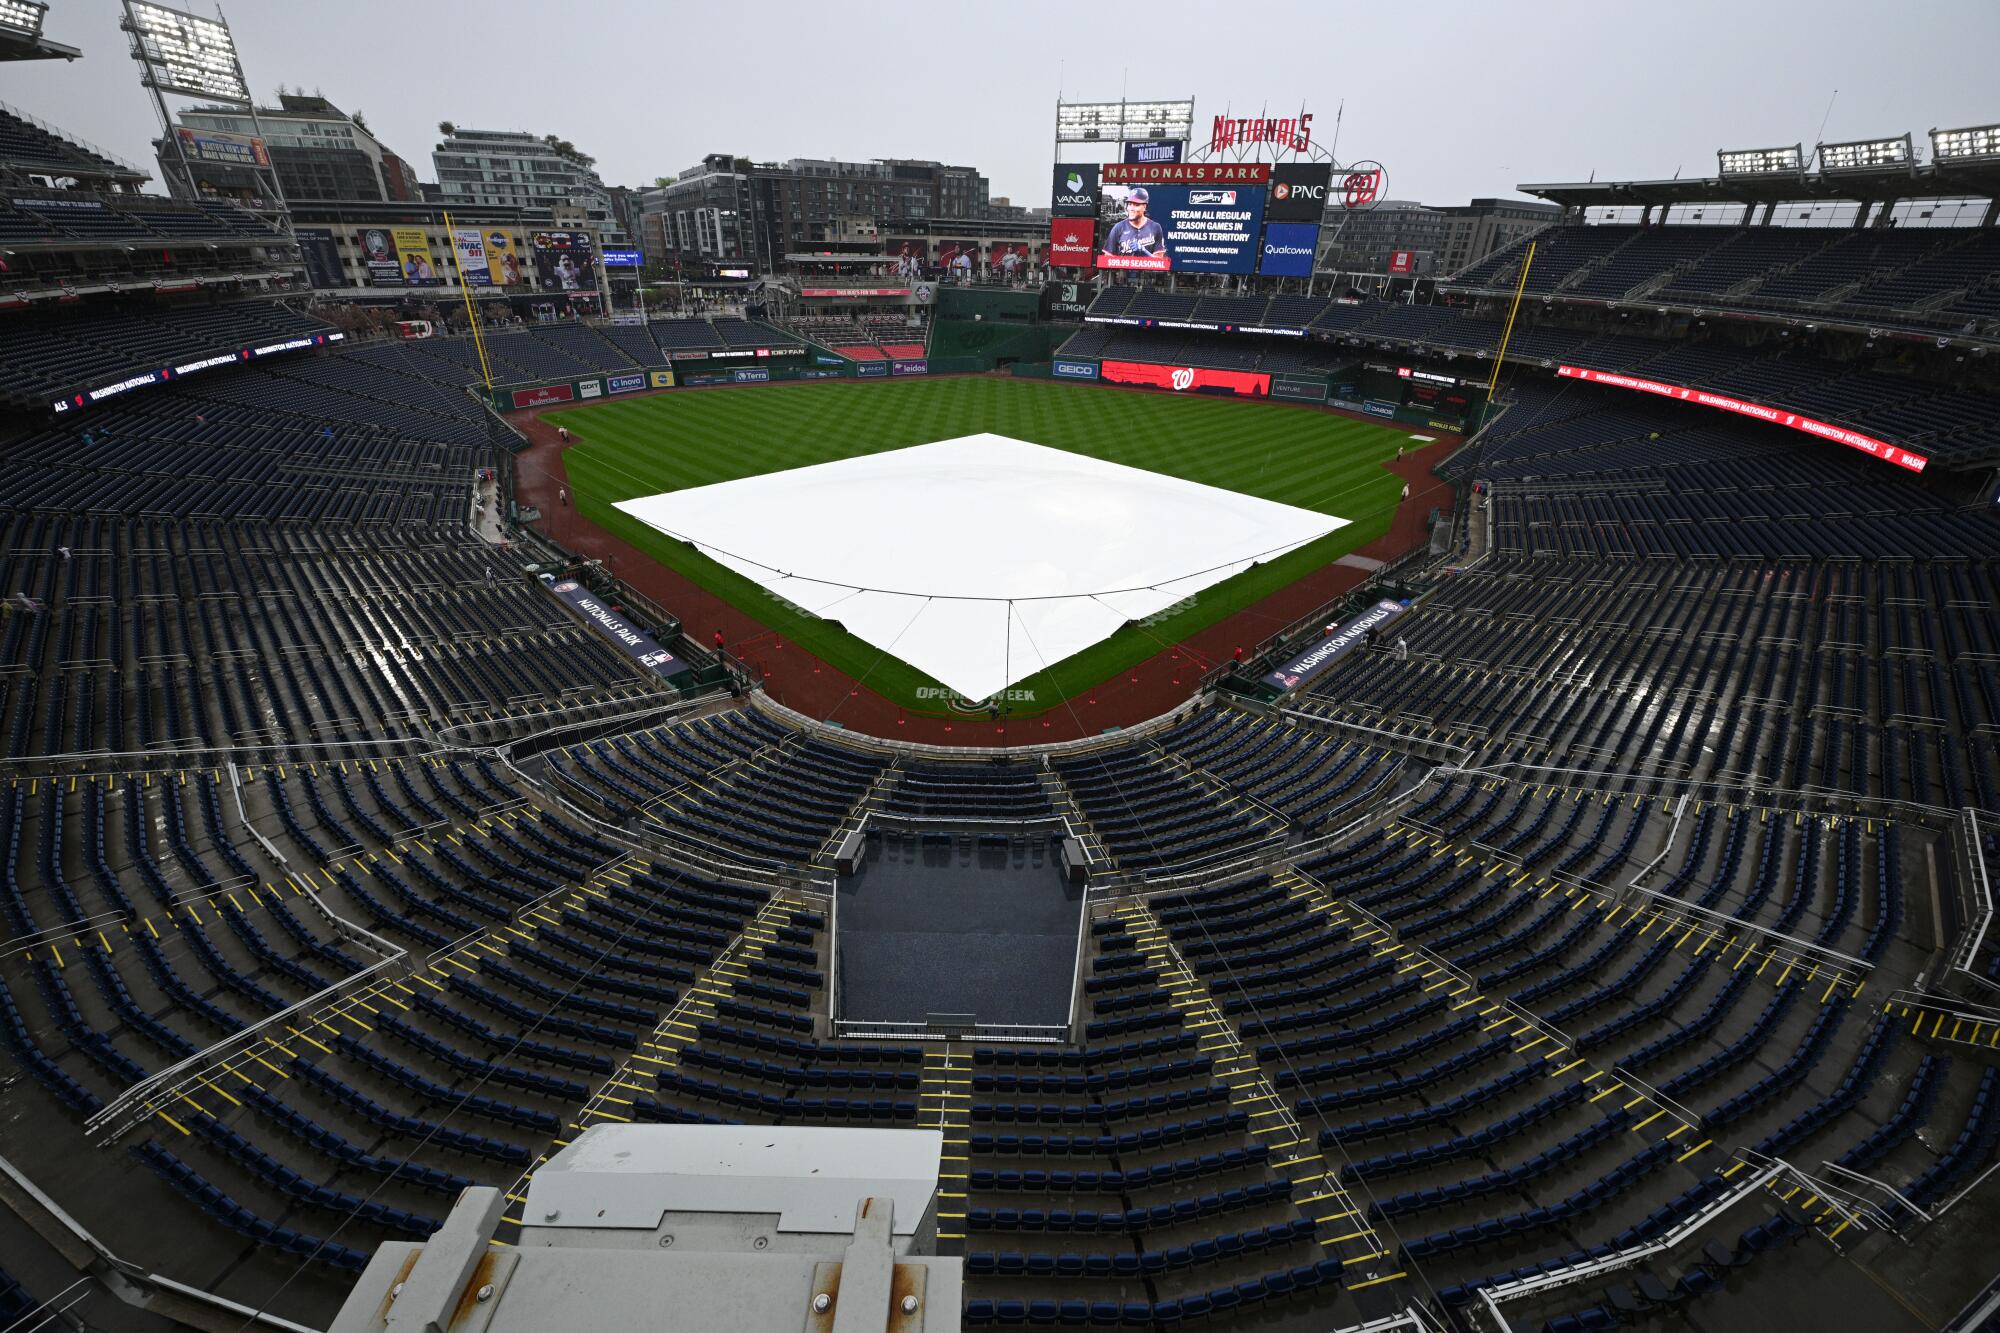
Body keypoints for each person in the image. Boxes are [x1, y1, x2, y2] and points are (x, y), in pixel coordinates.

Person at [1101, 187, 1166, 262]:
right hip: (1123, 272)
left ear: (1144, 207)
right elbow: (1107, 259)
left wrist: (1144, 252)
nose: (1131, 208)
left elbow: (1159, 261)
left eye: (1136, 205)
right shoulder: (1118, 227)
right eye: (1129, 204)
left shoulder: (1155, 227)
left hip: (1147, 273)